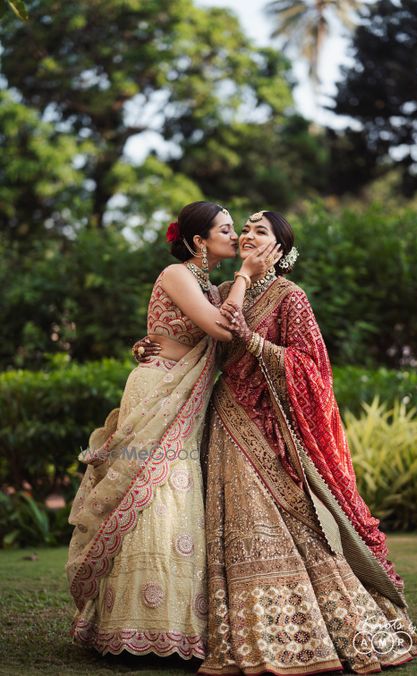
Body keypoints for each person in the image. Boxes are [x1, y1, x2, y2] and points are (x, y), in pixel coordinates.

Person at [136, 210, 417, 674]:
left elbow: (313, 369)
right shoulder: (220, 290)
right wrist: (149, 344)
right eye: (243, 229)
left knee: (292, 526)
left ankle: (323, 628)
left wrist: (253, 341)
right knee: (229, 531)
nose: (247, 235)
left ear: (280, 249)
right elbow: (192, 329)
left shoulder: (291, 297)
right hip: (227, 418)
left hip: (272, 428)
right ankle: (244, 635)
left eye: (259, 230)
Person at [65, 201, 281, 659]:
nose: (235, 236)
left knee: (178, 499)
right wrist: (244, 275)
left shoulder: (211, 285)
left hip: (187, 396)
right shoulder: (178, 274)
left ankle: (175, 629)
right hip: (158, 387)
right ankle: (128, 632)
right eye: (226, 229)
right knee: (151, 497)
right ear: (199, 241)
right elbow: (224, 331)